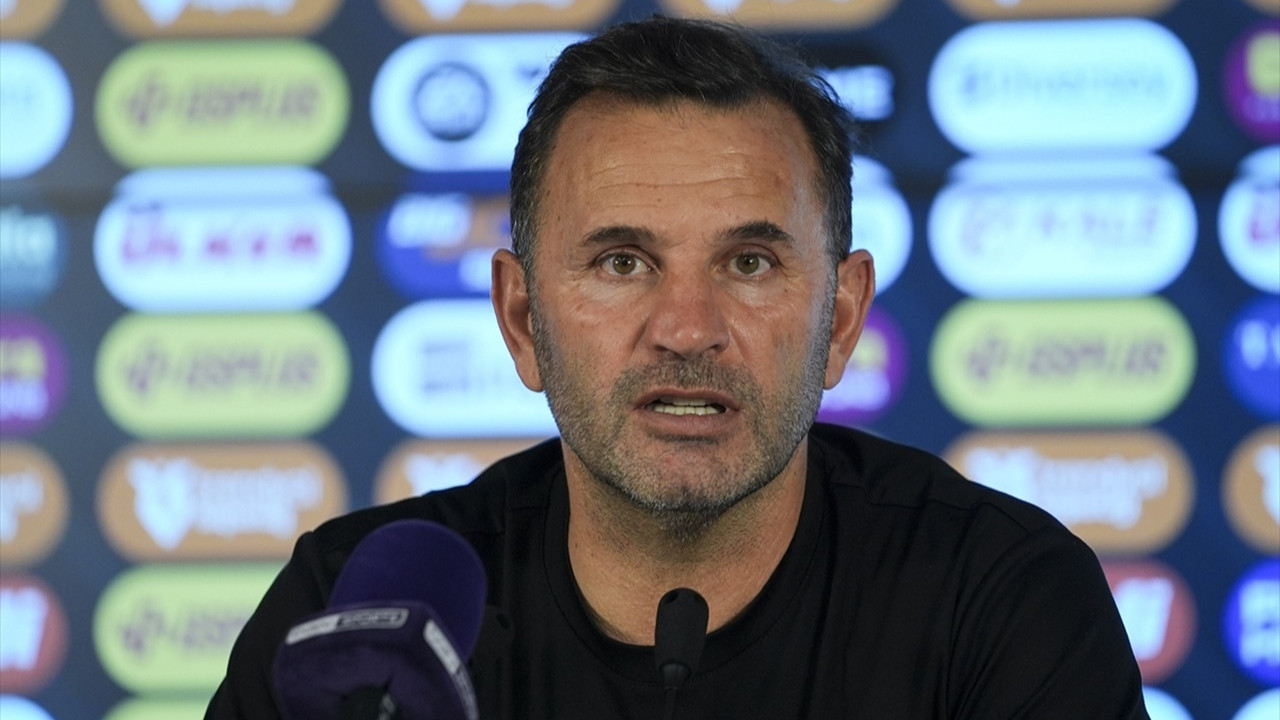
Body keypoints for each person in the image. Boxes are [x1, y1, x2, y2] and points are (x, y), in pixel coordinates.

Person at [206, 16, 1149, 719]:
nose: (688, 330)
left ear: (840, 320)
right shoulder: (355, 613)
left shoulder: (1004, 601)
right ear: (523, 319)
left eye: (750, 263)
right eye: (623, 263)